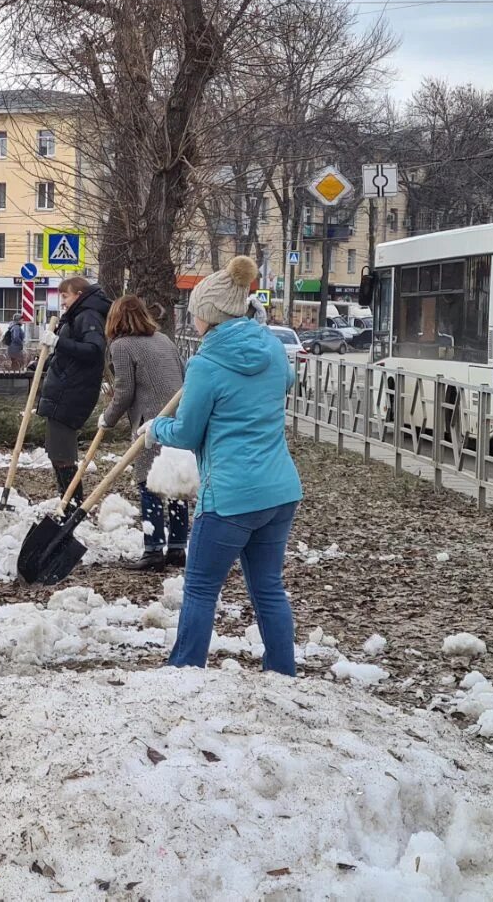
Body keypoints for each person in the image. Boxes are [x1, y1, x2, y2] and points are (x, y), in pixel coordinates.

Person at [148, 255, 302, 675]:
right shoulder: (271, 346)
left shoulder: (207, 364)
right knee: (269, 589)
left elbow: (185, 433)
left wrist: (154, 429)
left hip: (231, 497)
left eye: (195, 312)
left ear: (208, 315)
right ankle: (283, 674)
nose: (192, 319)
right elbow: (287, 383)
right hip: (279, 491)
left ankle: (183, 673)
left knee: (200, 589)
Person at [99, 295, 188, 571]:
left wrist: (107, 419)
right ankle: (176, 548)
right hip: (178, 421)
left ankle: (152, 551)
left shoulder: (122, 346)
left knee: (148, 483)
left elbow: (124, 391)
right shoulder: (164, 340)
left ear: (115, 319)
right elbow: (183, 376)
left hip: (151, 424)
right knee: (175, 484)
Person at [35, 276, 111, 500]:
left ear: (79, 294)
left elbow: (93, 350)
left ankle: (72, 505)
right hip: (64, 391)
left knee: (62, 454)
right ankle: (67, 501)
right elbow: (71, 358)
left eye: (65, 296)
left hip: (71, 394)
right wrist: (49, 360)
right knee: (57, 452)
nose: (63, 302)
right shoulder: (78, 316)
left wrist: (59, 342)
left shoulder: (88, 316)